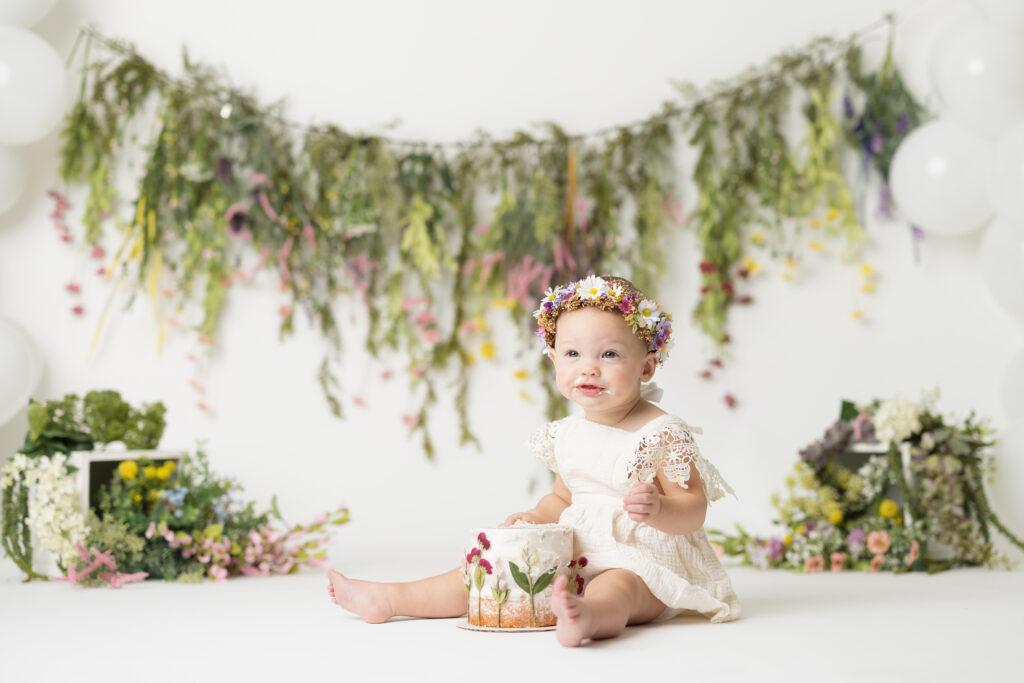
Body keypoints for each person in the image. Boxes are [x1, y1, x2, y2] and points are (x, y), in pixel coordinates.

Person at [328, 274, 741, 646]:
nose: (589, 369)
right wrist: (535, 516)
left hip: (644, 563)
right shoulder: (568, 434)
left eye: (610, 355)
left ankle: (589, 617)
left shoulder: (662, 433)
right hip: (577, 552)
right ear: (554, 360)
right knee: (494, 569)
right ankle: (389, 597)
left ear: (647, 366)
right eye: (573, 354)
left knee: (618, 587)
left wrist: (658, 508)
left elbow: (693, 510)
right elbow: (563, 500)